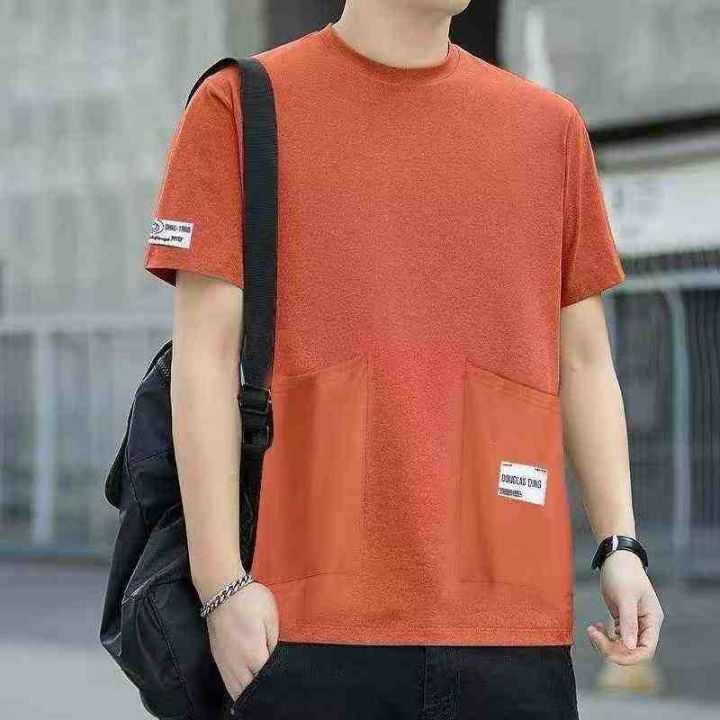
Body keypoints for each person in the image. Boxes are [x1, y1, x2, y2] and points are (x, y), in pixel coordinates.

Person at [143, 1, 664, 717]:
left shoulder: (549, 130)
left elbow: (584, 362)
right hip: (301, 620)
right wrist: (219, 587)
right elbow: (204, 358)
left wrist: (620, 546)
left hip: (513, 626)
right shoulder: (240, 105)